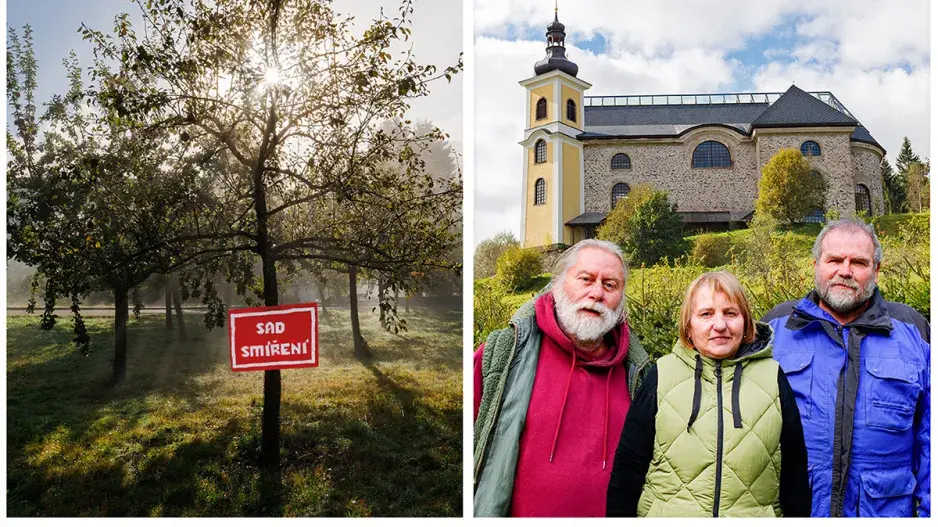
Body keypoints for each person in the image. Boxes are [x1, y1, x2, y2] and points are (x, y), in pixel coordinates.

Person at [607, 271, 811, 517]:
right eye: (706, 314)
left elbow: (794, 473)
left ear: (745, 322)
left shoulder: (772, 377)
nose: (720, 325)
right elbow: (628, 468)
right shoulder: (662, 375)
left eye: (730, 313)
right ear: (689, 326)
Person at [763, 218, 930, 517]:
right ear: (816, 265)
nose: (845, 271)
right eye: (835, 259)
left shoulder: (913, 331)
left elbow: (930, 436)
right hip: (795, 511)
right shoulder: (776, 329)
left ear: (876, 271)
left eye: (859, 262)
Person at [473, 239, 651, 517]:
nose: (596, 293)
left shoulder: (640, 375)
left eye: (610, 285)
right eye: (586, 279)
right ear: (557, 285)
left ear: (621, 299)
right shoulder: (505, 354)